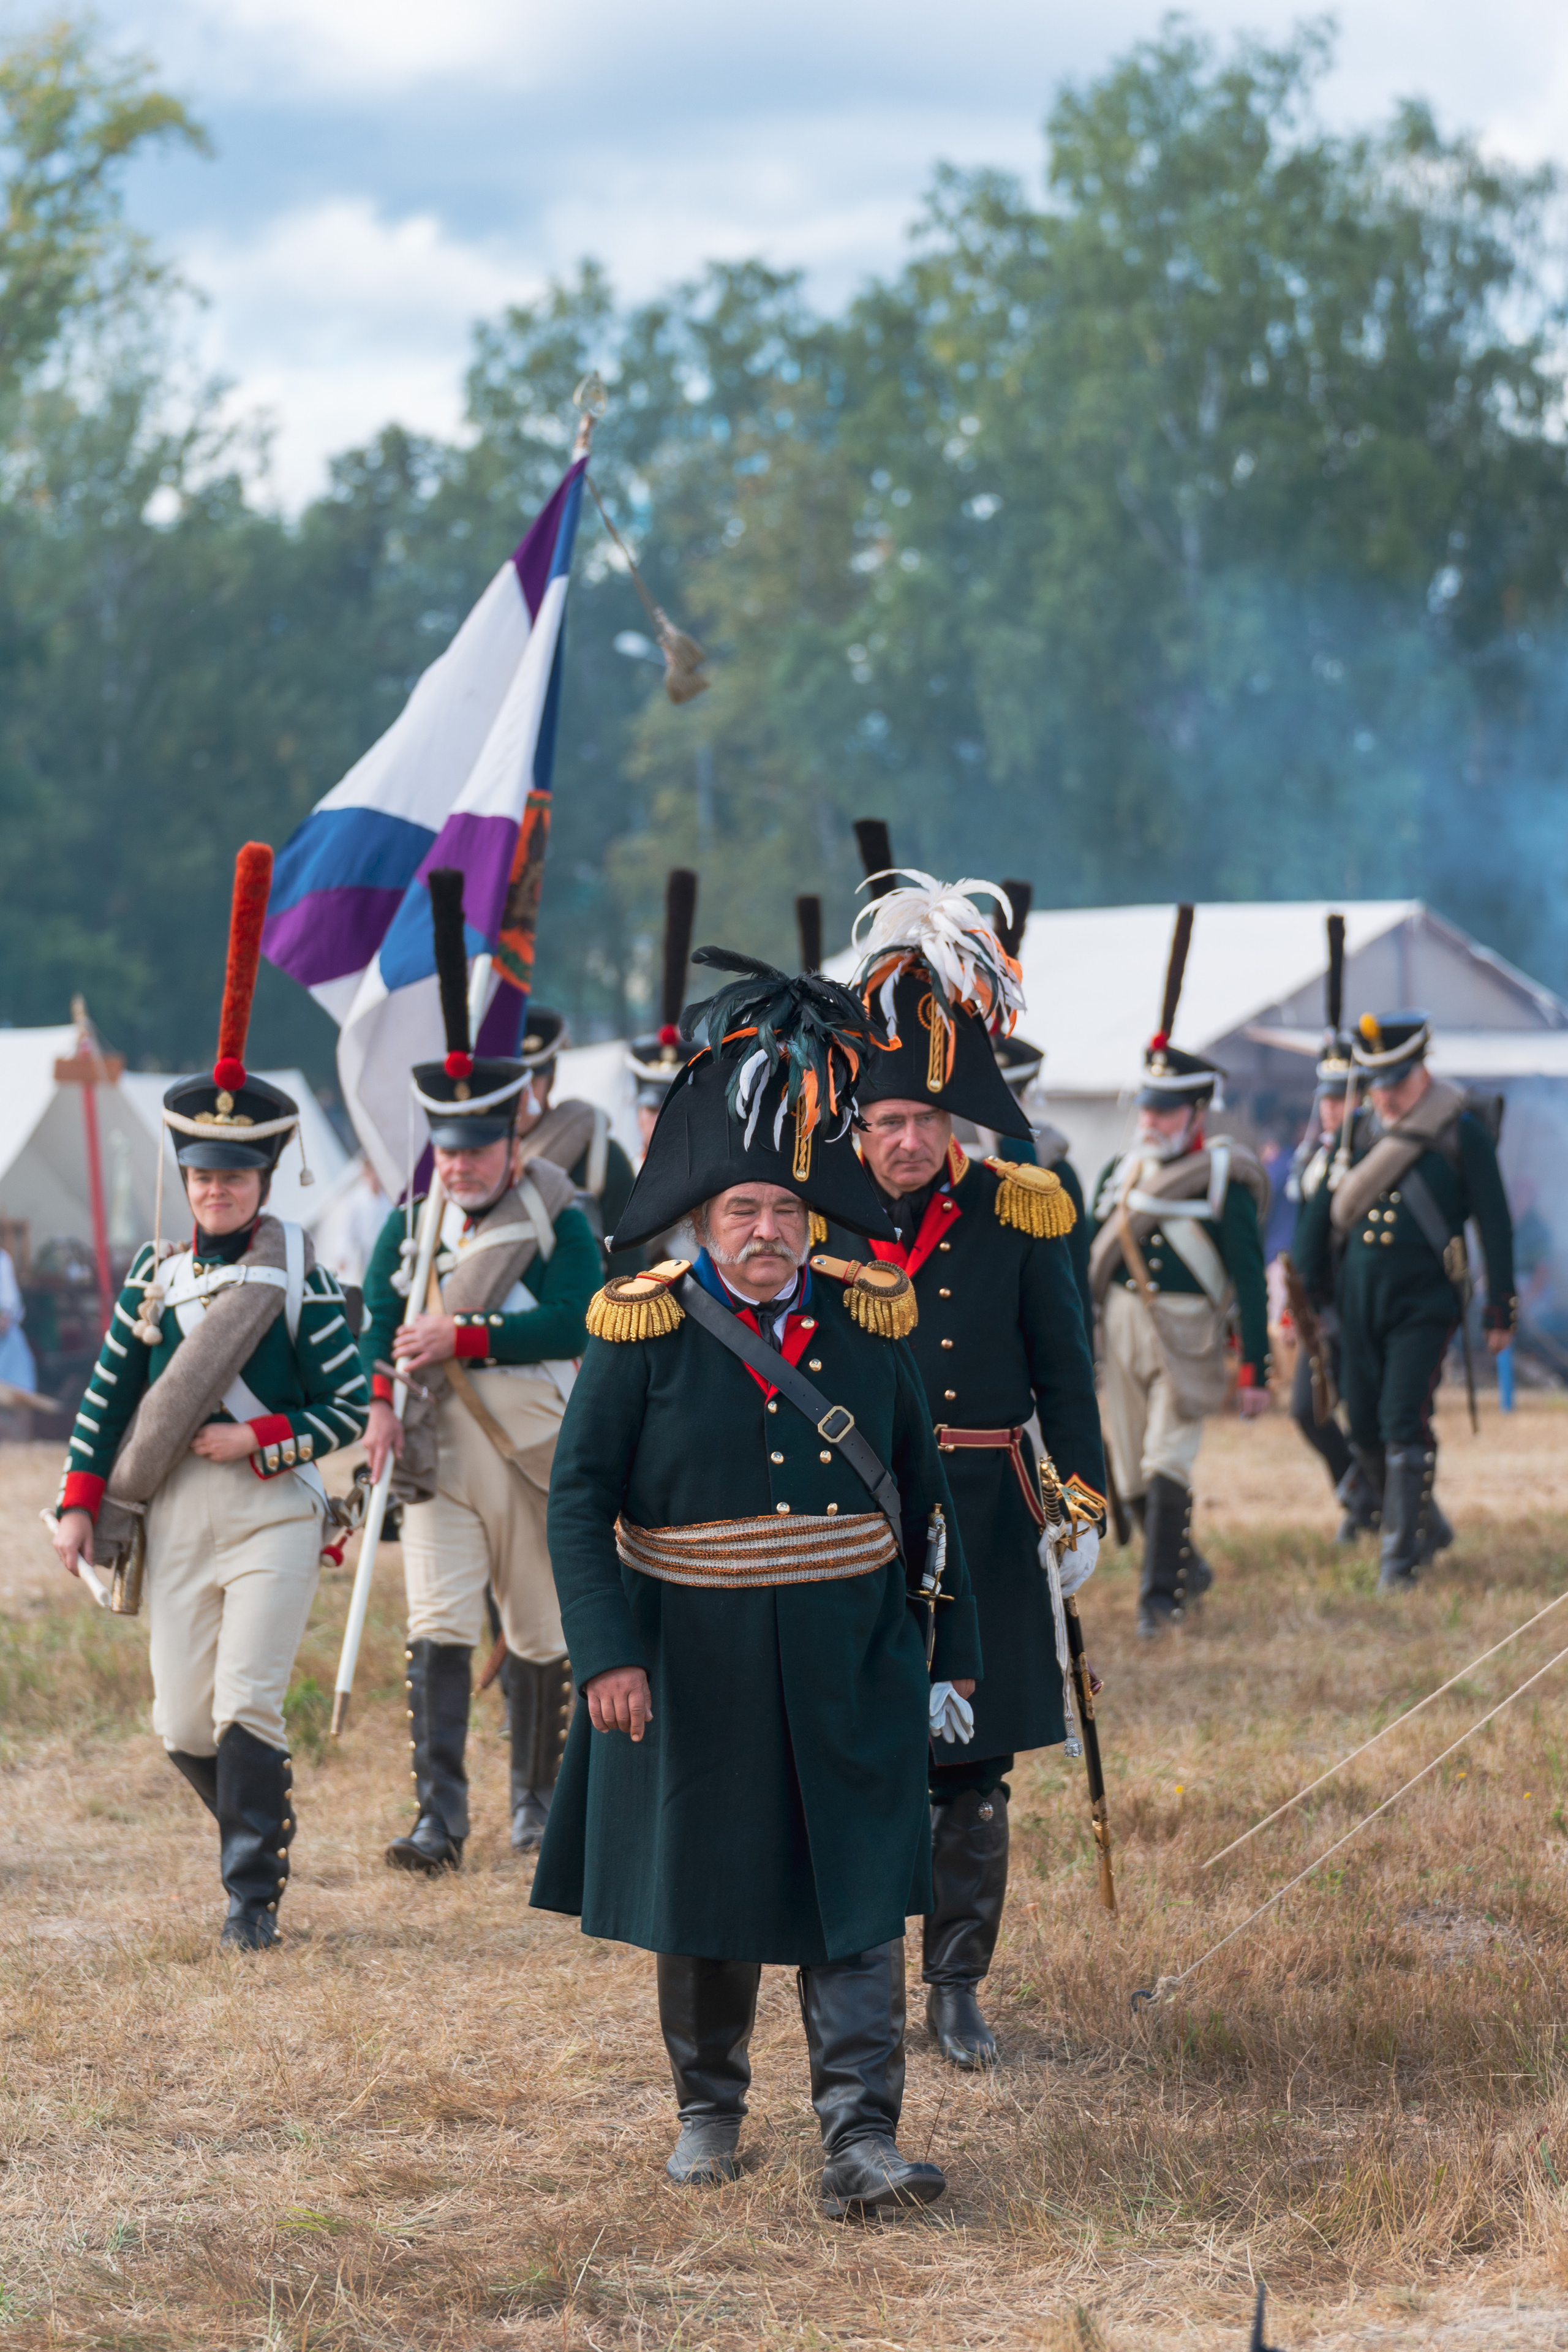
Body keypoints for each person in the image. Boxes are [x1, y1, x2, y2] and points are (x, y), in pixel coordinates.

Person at [532, 949, 982, 2215]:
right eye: (742, 1210)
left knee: (859, 1890)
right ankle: (709, 2106)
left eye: (785, 1208)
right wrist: (608, 1654)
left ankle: (861, 2138)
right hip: (694, 1656)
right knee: (707, 1889)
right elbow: (578, 1503)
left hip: (851, 1653)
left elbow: (927, 1502)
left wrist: (948, 1661)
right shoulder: (640, 1328)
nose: (767, 1231)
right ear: (701, 1222)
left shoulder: (869, 1321)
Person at [48, 843, 367, 1949]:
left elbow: (347, 1406)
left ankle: (250, 1899)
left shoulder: (302, 1274)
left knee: (245, 1706)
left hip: (273, 1512)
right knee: (179, 1720)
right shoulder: (153, 1275)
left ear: (262, 1179)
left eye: (233, 1175)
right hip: (175, 1514)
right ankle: (262, 1825)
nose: (216, 1189)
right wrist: (80, 1500)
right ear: (185, 1178)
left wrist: (264, 1440)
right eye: (201, 1175)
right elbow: (107, 1397)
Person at [828, 869, 1106, 2072]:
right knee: (858, 1756)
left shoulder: (1019, 1210)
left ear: (953, 1122)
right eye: (886, 1121)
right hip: (855, 1517)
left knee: (972, 1768)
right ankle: (859, 1984)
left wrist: (1081, 1496)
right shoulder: (819, 1221)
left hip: (987, 1513)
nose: (906, 1141)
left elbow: (1067, 1373)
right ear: (856, 1125)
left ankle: (955, 1987)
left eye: (925, 1121)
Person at [360, 872, 602, 1869]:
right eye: (447, 1151)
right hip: (438, 1456)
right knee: (439, 1626)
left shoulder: (559, 1218)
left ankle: (536, 1803)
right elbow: (378, 1322)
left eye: (477, 1149)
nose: (459, 1166)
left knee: (540, 1633)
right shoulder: (411, 1226)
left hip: (535, 1454)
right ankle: (440, 1820)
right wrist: (380, 1404)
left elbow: (579, 1319)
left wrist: (464, 1338)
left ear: (512, 1137)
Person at [1087, 907, 1271, 1637]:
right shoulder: (1118, 1173)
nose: (1152, 1120)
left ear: (1197, 1112)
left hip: (1190, 1334)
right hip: (1122, 1327)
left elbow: (1249, 1278)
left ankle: (1157, 1600)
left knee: (1168, 1459)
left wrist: (1254, 1366)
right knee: (1130, 1474)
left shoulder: (1224, 1178)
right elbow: (1093, 1260)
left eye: (1166, 1111)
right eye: (1149, 1107)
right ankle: (1187, 1567)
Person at [1294, 1010, 1515, 1590]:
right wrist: (1307, 1290)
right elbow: (1321, 1215)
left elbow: (1494, 1221)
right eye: (1376, 1083)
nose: (1384, 1096)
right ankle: (1428, 1526)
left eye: (1394, 1082)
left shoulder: (1460, 1131)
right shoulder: (1357, 1131)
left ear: (1422, 1071)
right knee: (1365, 1423)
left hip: (1426, 1303)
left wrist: (1501, 1306)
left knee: (1402, 1417)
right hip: (1358, 1299)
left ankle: (1399, 1562)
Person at [1287, 1022, 1380, 1541]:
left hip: (1359, 1305)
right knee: (1309, 1411)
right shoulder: (1317, 1157)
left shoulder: (1373, 1156)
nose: (1329, 1108)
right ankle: (1360, 1493)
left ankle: (1398, 1514)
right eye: (1325, 1098)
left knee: (1371, 1422)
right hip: (1321, 1309)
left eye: (1340, 1098)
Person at [508, 1006, 638, 1280]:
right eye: (509, 1081)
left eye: (532, 1080)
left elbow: (628, 1275)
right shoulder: (462, 1164)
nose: (521, 1095)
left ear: (552, 1078)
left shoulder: (603, 1158)